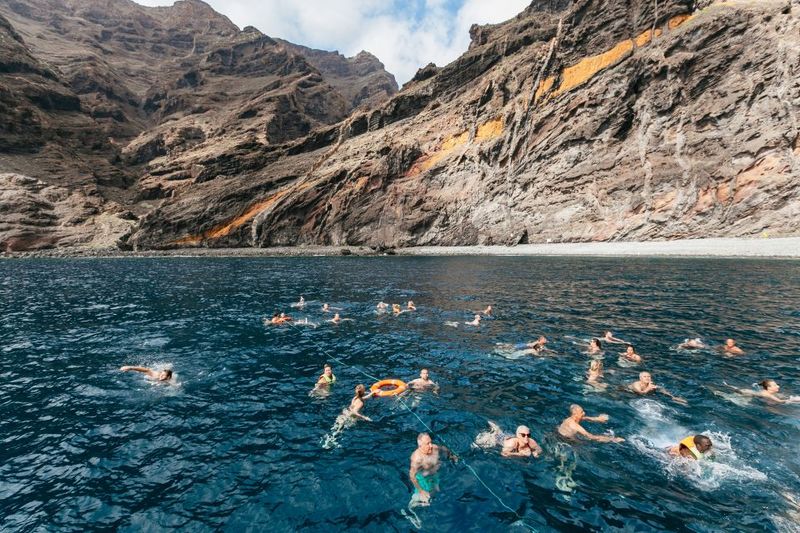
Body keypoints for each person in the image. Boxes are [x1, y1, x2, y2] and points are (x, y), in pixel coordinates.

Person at [409, 432, 457, 505]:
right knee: (425, 500)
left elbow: (444, 449)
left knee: (437, 491)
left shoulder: (434, 448)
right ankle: (410, 509)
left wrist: (452, 456)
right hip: (424, 479)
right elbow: (412, 476)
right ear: (420, 445)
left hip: (435, 475)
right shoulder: (417, 459)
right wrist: (421, 490)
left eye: (430, 442)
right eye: (427, 444)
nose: (431, 445)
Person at [557, 404, 624, 443]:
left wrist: (598, 419)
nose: (584, 413)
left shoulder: (569, 419)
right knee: (584, 445)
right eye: (582, 412)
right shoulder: (575, 425)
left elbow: (585, 418)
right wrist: (613, 439)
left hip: (558, 434)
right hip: (566, 440)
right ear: (575, 414)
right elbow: (590, 436)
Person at [727, 379, 799, 404]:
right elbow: (780, 401)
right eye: (775, 385)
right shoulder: (768, 395)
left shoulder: (769, 392)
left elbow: (782, 397)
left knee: (734, 388)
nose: (778, 386)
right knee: (734, 391)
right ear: (769, 388)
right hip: (746, 392)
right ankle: (727, 386)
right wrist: (793, 400)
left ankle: (728, 385)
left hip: (750, 392)